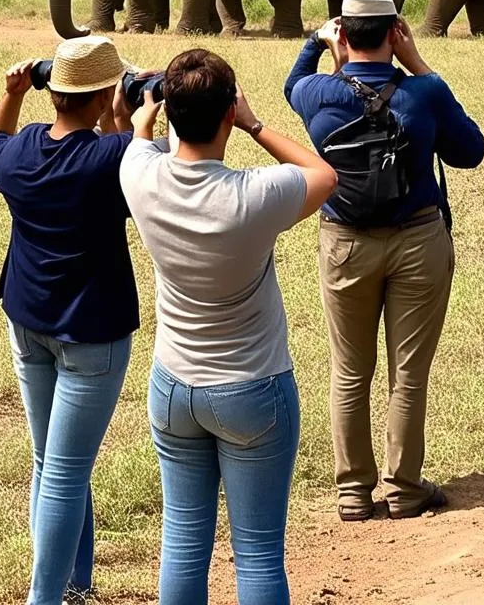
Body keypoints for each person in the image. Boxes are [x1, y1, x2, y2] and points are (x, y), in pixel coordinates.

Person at [119, 49, 336, 605]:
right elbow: (324, 175)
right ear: (227, 115)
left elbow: (137, 141)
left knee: (183, 542)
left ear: (167, 114)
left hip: (173, 388)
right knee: (259, 553)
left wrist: (141, 116)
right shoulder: (254, 194)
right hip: (252, 388)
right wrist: (256, 123)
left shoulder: (137, 174)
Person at [284, 0, 484, 521]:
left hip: (346, 243)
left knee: (350, 371)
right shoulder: (425, 92)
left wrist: (319, 44)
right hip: (419, 241)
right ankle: (404, 488)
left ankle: (353, 490)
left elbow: (293, 84)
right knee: (408, 373)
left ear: (345, 34)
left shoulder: (319, 94)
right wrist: (418, 62)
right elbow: (471, 152)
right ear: (396, 32)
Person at [0, 36, 143, 605]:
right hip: (90, 334)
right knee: (67, 474)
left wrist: (12, 93)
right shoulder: (109, 157)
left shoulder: (21, 152)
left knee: (52, 463)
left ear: (55, 92)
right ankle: (44, 598)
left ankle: (77, 585)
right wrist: (125, 118)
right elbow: (142, 164)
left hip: (27, 320)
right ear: (100, 97)